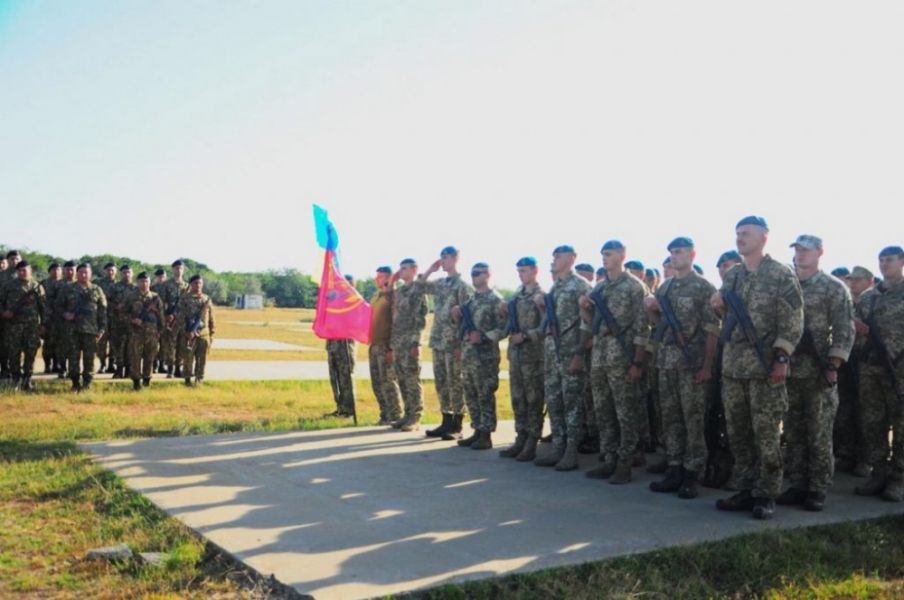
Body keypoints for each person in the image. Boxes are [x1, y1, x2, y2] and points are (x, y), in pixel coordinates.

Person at [712, 216, 804, 520]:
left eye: (746, 234)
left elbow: (792, 321)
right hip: (733, 368)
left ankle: (766, 493)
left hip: (764, 368)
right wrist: (718, 306)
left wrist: (781, 358)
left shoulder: (780, 274)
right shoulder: (733, 275)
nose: (740, 238)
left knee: (766, 435)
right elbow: (726, 318)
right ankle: (745, 488)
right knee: (738, 433)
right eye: (737, 233)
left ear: (763, 238)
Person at [778, 235, 854, 512]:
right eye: (798, 249)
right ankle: (798, 483)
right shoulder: (787, 285)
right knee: (794, 431)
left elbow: (845, 329)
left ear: (820, 252)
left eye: (806, 250)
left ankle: (818, 487)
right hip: (790, 372)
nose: (801, 254)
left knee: (819, 433)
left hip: (818, 373)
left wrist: (833, 365)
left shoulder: (833, 287)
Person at [646, 237, 719, 499]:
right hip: (667, 364)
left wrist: (707, 366)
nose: (674, 256)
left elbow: (712, 329)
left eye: (679, 252)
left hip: (692, 364)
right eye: (672, 253)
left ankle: (692, 472)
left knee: (693, 420)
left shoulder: (703, 287)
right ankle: (674, 467)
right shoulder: (665, 287)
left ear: (692, 255)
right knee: (671, 418)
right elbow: (658, 325)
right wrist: (652, 310)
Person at [580, 240, 650, 483]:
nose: (604, 258)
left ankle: (625, 463)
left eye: (609, 254)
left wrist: (637, 363)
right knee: (603, 410)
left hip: (622, 358)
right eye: (603, 254)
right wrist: (584, 308)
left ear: (622, 255)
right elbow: (591, 324)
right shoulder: (599, 289)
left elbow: (642, 327)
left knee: (625, 412)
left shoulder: (634, 287)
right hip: (600, 358)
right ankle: (609, 458)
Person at [853, 246, 904, 502]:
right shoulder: (867, 297)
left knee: (901, 426)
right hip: (870, 369)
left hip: (900, 371)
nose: (884, 264)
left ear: (902, 262)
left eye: (889, 260)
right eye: (881, 260)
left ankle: (898, 479)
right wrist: (857, 329)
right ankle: (878, 474)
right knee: (873, 423)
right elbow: (852, 326)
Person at [534, 245, 592, 471]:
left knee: (572, 404)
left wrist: (579, 354)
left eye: (559, 256)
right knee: (554, 402)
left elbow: (588, 323)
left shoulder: (581, 286)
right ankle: (557, 447)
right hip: (552, 354)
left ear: (571, 258)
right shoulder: (555, 287)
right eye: (554, 256)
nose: (554, 259)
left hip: (571, 354)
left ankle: (571, 451)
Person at [417, 246, 473, 438]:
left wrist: (460, 344)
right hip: (438, 340)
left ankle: (457, 425)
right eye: (441, 257)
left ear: (455, 258)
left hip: (453, 342)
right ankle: (446, 420)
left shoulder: (462, 286)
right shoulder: (441, 283)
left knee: (455, 382)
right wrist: (430, 270)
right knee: (441, 382)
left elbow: (467, 317)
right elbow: (419, 287)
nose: (443, 260)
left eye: (446, 257)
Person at [498, 256, 545, 461]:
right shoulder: (517, 295)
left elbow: (546, 326)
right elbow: (508, 323)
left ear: (535, 271)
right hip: (516, 356)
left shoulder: (541, 295)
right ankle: (521, 437)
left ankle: (532, 440)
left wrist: (526, 336)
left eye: (524, 271)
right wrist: (503, 312)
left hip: (533, 356)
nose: (520, 275)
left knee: (533, 399)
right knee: (518, 398)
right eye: (518, 271)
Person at [455, 263, 505, 450]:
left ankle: (486, 434)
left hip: (486, 357)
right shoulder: (471, 300)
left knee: (485, 394)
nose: (474, 277)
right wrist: (456, 316)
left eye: (477, 273)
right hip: (469, 356)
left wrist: (484, 337)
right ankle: (476, 429)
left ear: (487, 275)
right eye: (472, 274)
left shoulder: (495, 300)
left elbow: (505, 328)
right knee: (471, 393)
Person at [389, 258, 429, 432]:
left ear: (414, 270)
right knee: (402, 378)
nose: (401, 271)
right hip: (399, 341)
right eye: (400, 268)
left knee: (412, 379)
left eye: (405, 268)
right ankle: (407, 414)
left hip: (410, 341)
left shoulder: (418, 290)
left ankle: (415, 417)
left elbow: (421, 319)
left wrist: (416, 342)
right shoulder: (400, 291)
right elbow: (395, 315)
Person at [58, 264, 107, 392]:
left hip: (91, 330)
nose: (83, 275)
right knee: (73, 357)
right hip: (72, 330)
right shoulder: (67, 289)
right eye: (81, 272)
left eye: (86, 272)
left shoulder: (97, 290)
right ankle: (75, 383)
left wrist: (102, 329)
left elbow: (102, 311)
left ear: (90, 274)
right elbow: (58, 306)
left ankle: (87, 383)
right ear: (77, 273)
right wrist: (65, 314)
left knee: (89, 358)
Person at [0, 261, 46, 391]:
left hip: (32, 327)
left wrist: (43, 324)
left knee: (30, 354)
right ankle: (15, 379)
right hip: (13, 326)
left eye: (25, 270)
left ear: (30, 271)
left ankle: (27, 379)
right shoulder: (9, 286)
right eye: (20, 270)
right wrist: (3, 312)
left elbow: (43, 308)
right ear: (17, 272)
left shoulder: (37, 287)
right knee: (14, 353)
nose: (23, 272)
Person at [368, 266, 402, 425]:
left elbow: (396, 324)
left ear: (389, 278)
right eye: (377, 276)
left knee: (388, 382)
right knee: (377, 383)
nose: (376, 279)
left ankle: (395, 415)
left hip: (385, 346)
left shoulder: (394, 297)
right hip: (374, 345)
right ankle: (385, 415)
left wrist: (391, 348)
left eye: (380, 277)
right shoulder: (377, 296)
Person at [326, 274, 358, 418]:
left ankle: (349, 410)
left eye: (347, 284)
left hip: (345, 346)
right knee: (336, 378)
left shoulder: (354, 302)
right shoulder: (335, 302)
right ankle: (340, 407)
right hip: (333, 345)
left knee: (346, 379)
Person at [175, 274, 215, 386]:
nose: (198, 285)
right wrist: (186, 332)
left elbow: (211, 318)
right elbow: (180, 318)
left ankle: (199, 379)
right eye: (195, 283)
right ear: (191, 284)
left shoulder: (206, 299)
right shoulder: (184, 299)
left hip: (203, 334)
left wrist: (212, 334)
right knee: (188, 358)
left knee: (202, 358)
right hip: (188, 334)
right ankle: (187, 379)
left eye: (200, 283)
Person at [128, 272, 165, 390]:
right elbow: (122, 313)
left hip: (152, 333)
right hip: (136, 333)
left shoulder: (155, 298)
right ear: (137, 282)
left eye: (146, 281)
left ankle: (147, 381)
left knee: (150, 358)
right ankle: (136, 383)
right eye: (142, 281)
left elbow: (161, 317)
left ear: (149, 282)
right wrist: (132, 320)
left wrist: (159, 331)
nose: (144, 284)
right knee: (135, 357)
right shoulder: (131, 297)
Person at [160, 260, 189, 378]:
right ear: (173, 270)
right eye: (176, 268)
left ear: (183, 270)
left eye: (181, 268)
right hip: (170, 320)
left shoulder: (187, 286)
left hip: (181, 320)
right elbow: (161, 302)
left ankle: (178, 368)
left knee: (181, 345)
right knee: (170, 345)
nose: (179, 270)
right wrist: (166, 316)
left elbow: (188, 303)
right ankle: (170, 369)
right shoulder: (166, 285)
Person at [95, 263, 118, 374]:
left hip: (116, 318)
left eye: (112, 270)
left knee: (114, 342)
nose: (110, 272)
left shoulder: (119, 285)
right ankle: (103, 364)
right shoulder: (98, 284)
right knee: (101, 343)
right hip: (102, 317)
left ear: (116, 271)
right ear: (105, 271)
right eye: (108, 270)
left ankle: (112, 363)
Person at [39, 262, 62, 374]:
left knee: (59, 344)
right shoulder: (43, 284)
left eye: (58, 270)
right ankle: (47, 365)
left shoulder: (65, 284)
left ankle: (57, 364)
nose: (56, 272)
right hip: (47, 318)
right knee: (47, 344)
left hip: (60, 319)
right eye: (53, 270)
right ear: (49, 272)